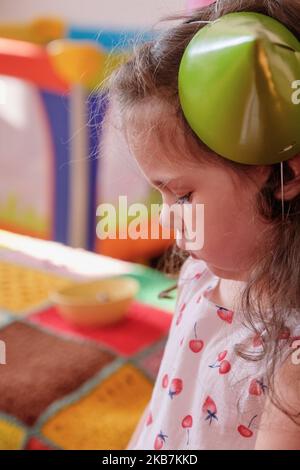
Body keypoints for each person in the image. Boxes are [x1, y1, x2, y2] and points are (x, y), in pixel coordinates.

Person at [108, 0, 300, 449]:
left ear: (285, 175)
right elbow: (161, 417)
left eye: (182, 193)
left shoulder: (290, 365)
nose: (164, 215)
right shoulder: (201, 275)